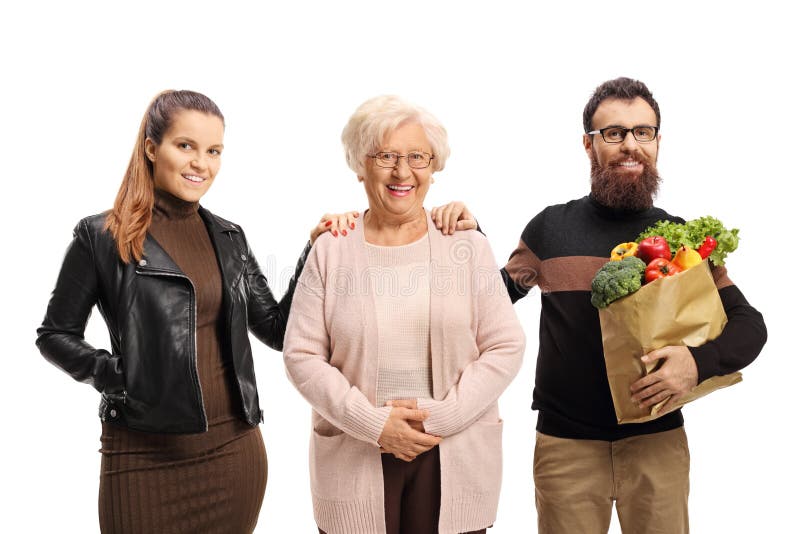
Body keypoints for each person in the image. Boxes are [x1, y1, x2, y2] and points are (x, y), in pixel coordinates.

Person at [452, 77, 768, 533]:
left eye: (643, 132)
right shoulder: (549, 230)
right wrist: (467, 237)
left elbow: (749, 325)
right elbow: (485, 304)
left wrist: (698, 363)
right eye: (614, 133)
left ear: (658, 141)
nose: (630, 145)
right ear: (588, 145)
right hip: (566, 449)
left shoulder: (684, 243)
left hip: (657, 446)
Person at [35, 89, 358, 533]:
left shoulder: (229, 238)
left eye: (214, 151)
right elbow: (54, 335)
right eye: (185, 146)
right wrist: (121, 375)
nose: (200, 163)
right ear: (152, 148)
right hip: (140, 456)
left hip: (234, 452)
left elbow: (278, 329)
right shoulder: (101, 237)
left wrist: (313, 248)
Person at [282, 95, 526, 534]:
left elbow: (506, 345)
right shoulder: (330, 250)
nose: (402, 172)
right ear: (360, 165)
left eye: (417, 157)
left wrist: (443, 415)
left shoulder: (467, 246)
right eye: (386, 156)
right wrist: (374, 424)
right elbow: (301, 356)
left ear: (434, 166)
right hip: (355, 452)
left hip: (456, 449)